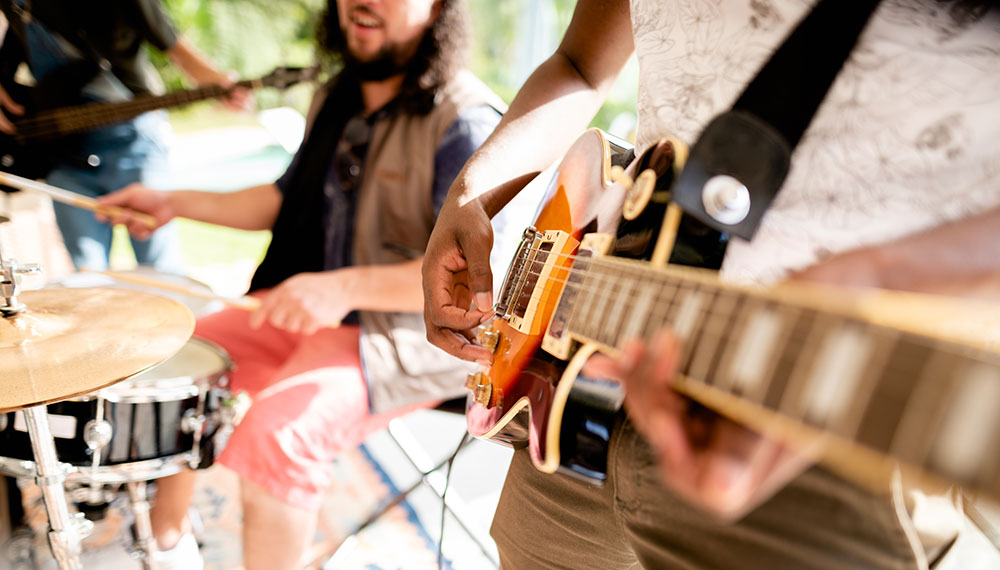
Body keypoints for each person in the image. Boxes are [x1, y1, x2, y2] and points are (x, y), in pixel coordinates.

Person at [422, 1, 1000, 568]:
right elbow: (581, 63)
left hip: (830, 425)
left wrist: (878, 277)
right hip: (589, 368)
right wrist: (473, 191)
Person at [100, 0, 504, 568]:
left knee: (278, 433)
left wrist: (339, 288)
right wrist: (171, 202)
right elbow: (285, 199)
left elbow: (476, 279)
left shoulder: (467, 122)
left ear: (438, 7)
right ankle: (166, 547)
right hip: (328, 315)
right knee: (183, 363)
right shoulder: (337, 95)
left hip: (415, 335)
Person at [0, 0, 248, 272]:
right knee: (88, 273)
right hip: (65, 153)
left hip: (134, 140)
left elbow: (173, 45)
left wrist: (218, 82)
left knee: (157, 267)